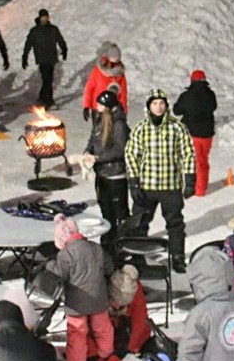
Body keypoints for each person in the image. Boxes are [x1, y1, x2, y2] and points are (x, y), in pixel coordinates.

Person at [124, 88, 196, 267]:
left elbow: (188, 153)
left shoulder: (177, 128)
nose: (158, 107)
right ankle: (138, 257)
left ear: (166, 106)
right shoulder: (141, 129)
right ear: (148, 106)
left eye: (162, 103)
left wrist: (190, 179)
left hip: (170, 186)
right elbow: (131, 155)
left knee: (175, 224)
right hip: (146, 186)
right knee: (139, 224)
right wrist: (133, 183)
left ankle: (177, 257)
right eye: (155, 103)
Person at [45, 215, 117, 361]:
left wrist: (50, 265)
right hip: (99, 299)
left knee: (77, 335)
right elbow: (109, 268)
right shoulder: (96, 248)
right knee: (103, 329)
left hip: (76, 305)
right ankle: (106, 356)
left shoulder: (65, 255)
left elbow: (61, 275)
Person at [81, 86, 130, 251]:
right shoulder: (100, 119)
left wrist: (98, 158)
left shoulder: (119, 125)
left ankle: (122, 244)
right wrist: (88, 152)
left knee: (119, 213)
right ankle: (108, 244)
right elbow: (93, 139)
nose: (97, 108)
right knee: (106, 210)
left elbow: (119, 149)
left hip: (115, 175)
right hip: (101, 173)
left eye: (101, 106)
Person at [173, 69, 216, 197]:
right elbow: (214, 107)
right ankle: (204, 183)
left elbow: (176, 110)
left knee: (196, 161)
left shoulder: (186, 96)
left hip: (193, 133)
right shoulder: (211, 94)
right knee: (204, 159)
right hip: (208, 133)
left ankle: (199, 189)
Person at [22, 8, 68, 108]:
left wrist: (64, 49)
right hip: (42, 58)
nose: (45, 19)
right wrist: (24, 56)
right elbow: (28, 44)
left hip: (51, 57)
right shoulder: (35, 31)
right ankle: (49, 101)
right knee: (47, 80)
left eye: (46, 17)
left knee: (48, 79)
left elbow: (60, 39)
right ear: (40, 18)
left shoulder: (53, 29)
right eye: (43, 17)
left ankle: (42, 97)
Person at [108, 264, 152, 359]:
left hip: (131, 338)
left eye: (123, 304)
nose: (118, 306)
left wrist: (127, 350)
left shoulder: (136, 291)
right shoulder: (102, 291)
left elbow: (140, 322)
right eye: (115, 302)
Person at [80, 42, 128, 120]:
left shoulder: (120, 72)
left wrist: (124, 110)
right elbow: (89, 88)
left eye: (117, 58)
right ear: (109, 57)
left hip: (113, 108)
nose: (116, 60)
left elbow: (123, 93)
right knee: (98, 131)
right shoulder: (98, 70)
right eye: (113, 57)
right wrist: (86, 106)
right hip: (98, 108)